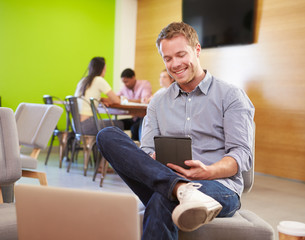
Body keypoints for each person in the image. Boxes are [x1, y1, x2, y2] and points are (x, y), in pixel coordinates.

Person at [96, 22, 254, 240]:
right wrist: (151, 158)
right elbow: (148, 150)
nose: (175, 64)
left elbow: (240, 156)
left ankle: (176, 189)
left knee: (163, 198)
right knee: (106, 135)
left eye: (181, 55)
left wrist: (207, 171)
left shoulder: (231, 96)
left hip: (219, 187)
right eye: (167, 58)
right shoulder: (158, 102)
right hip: (165, 178)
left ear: (197, 50)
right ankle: (179, 188)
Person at [74, 57, 123, 135]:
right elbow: (116, 100)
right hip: (87, 124)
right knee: (120, 124)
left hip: (76, 125)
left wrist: (99, 99)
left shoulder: (83, 81)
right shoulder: (98, 80)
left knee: (112, 123)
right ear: (102, 69)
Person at [117, 68, 152, 140]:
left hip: (144, 118)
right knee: (115, 125)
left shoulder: (144, 84)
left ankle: (135, 150)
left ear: (133, 77)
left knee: (134, 128)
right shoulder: (124, 88)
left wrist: (127, 100)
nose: (125, 84)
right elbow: (117, 98)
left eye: (127, 81)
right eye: (123, 82)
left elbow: (145, 101)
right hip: (134, 118)